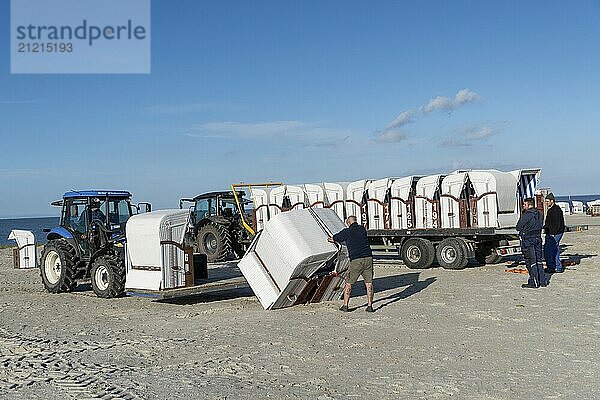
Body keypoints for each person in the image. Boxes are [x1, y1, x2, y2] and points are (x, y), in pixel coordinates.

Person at [328, 215, 374, 312]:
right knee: (369, 284)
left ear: (348, 223)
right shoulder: (362, 229)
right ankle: (370, 306)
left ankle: (345, 306)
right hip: (369, 258)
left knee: (348, 283)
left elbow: (337, 237)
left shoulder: (347, 231)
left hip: (357, 260)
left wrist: (331, 239)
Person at [516, 198, 546, 288]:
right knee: (538, 260)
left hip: (529, 239)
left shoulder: (527, 215)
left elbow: (518, 227)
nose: (523, 207)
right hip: (538, 238)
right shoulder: (539, 214)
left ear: (529, 205)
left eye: (525, 205)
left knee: (530, 261)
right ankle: (542, 281)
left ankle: (534, 282)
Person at [543, 193, 565, 273]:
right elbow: (549, 222)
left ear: (552, 201)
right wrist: (545, 227)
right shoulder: (551, 209)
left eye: (547, 201)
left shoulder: (556, 209)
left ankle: (556, 267)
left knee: (552, 249)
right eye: (545, 201)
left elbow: (557, 223)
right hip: (551, 232)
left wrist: (553, 233)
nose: (546, 203)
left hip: (555, 233)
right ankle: (552, 266)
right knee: (549, 249)